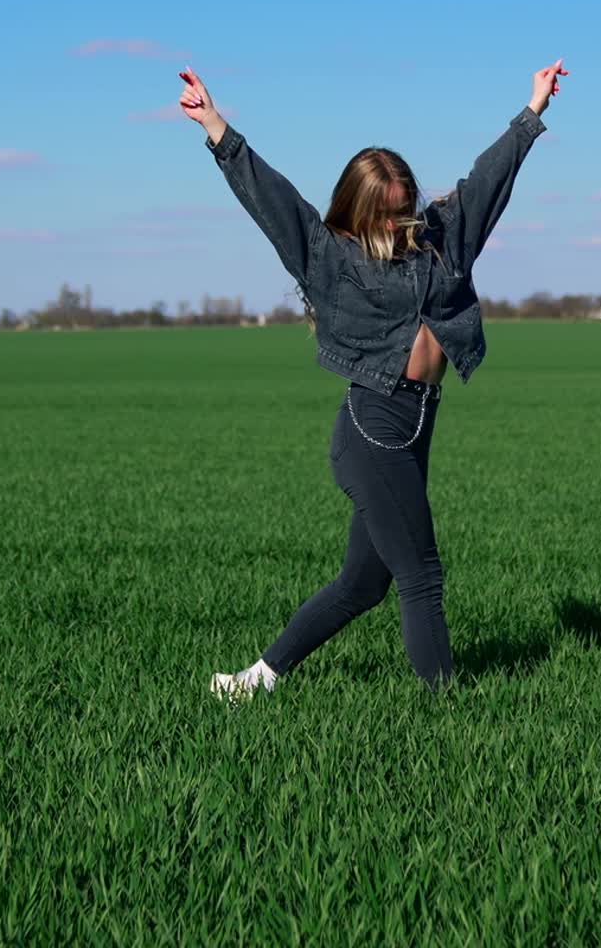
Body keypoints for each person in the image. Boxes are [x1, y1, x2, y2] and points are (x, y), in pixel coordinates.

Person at [180, 59, 567, 699]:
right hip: (374, 430)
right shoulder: (330, 258)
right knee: (421, 575)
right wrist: (218, 127)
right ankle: (451, 711)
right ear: (360, 211)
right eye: (387, 213)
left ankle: (252, 682)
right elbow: (272, 202)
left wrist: (532, 114)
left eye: (406, 208)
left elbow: (488, 182)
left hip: (416, 428)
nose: (401, 222)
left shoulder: (442, 239)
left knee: (362, 584)